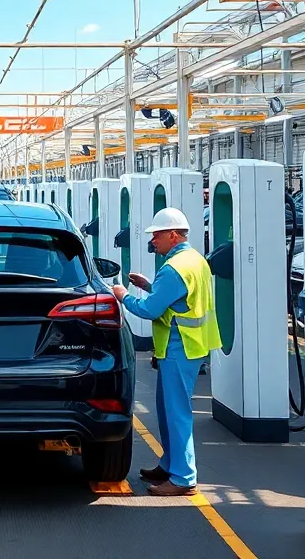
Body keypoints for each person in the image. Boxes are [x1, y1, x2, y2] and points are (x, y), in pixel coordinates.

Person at [111, 207, 221, 497]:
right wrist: (150, 286)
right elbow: (178, 300)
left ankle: (184, 478)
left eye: (157, 235)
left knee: (177, 413)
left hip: (179, 346)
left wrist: (123, 297)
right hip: (191, 345)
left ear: (173, 235)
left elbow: (150, 310)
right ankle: (170, 464)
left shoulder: (174, 268)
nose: (153, 241)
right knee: (166, 409)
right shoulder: (193, 260)